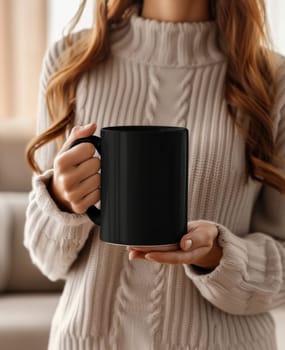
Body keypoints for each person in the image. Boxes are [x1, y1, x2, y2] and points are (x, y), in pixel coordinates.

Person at [24, 0, 285, 349]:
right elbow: (46, 259)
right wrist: (61, 199)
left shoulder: (271, 79)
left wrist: (219, 255)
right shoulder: (72, 61)